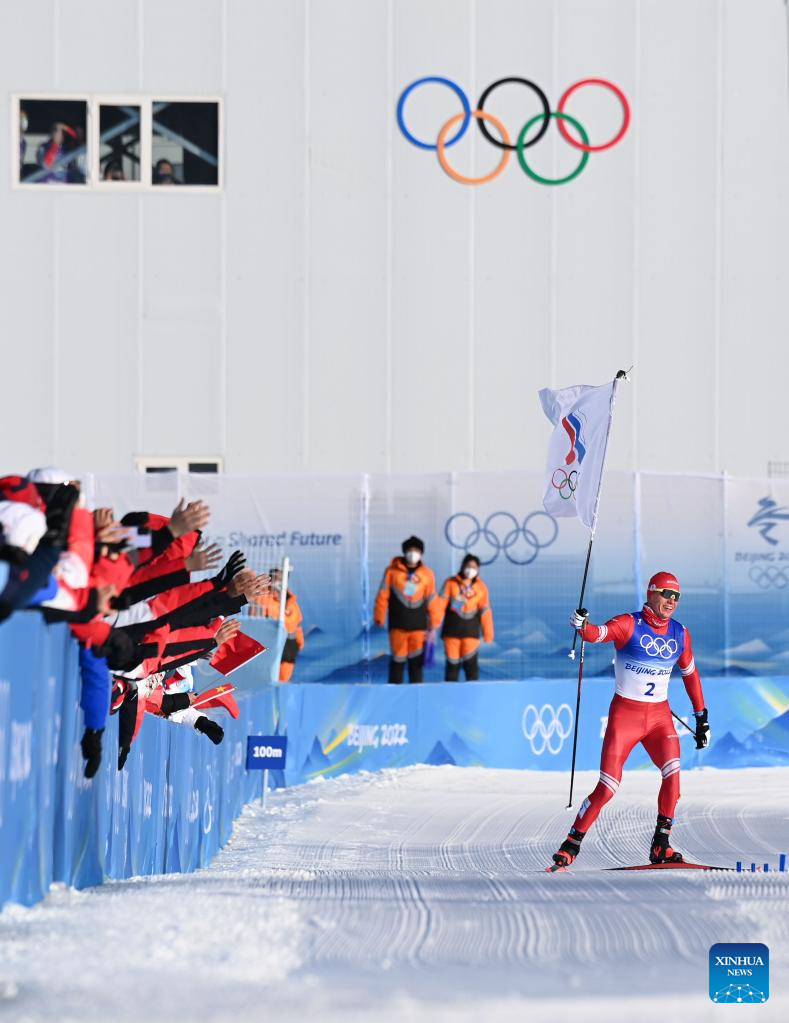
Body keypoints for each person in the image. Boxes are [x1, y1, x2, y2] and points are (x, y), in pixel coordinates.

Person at [552, 571, 710, 868]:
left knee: (673, 774)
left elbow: (690, 674)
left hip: (660, 719)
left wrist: (702, 717)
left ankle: (661, 844)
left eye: (676, 596)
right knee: (608, 786)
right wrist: (582, 625)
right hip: (626, 716)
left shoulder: (680, 633)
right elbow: (597, 634)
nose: (671, 601)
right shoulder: (628, 624)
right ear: (651, 593)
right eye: (666, 594)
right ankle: (571, 843)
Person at [374, 536, 441, 684]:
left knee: (416, 665)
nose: (412, 553)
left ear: (421, 553)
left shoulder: (427, 574)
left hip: (419, 627)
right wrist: (379, 617)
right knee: (397, 663)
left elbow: (432, 599)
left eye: (416, 550)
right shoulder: (391, 572)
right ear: (404, 552)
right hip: (398, 625)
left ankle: (417, 694)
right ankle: (394, 694)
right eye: (410, 550)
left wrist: (435, 622)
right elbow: (382, 595)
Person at [437, 553, 494, 681]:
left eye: (474, 567)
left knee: (471, 667)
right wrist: (435, 623)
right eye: (468, 566)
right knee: (452, 667)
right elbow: (440, 605)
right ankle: (449, 692)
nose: (470, 570)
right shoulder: (450, 583)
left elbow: (485, 611)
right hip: (451, 632)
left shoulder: (481, 588)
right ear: (462, 566)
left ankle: (471, 693)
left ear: (478, 569)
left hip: (471, 632)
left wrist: (488, 634)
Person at [251, 566, 304, 681]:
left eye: (282, 577)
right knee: (267, 678)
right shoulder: (263, 597)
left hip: (289, 648)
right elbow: (254, 619)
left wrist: (299, 642)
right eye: (276, 576)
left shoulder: (292, 602)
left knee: (283, 678)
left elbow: (298, 624)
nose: (279, 580)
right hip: (269, 644)